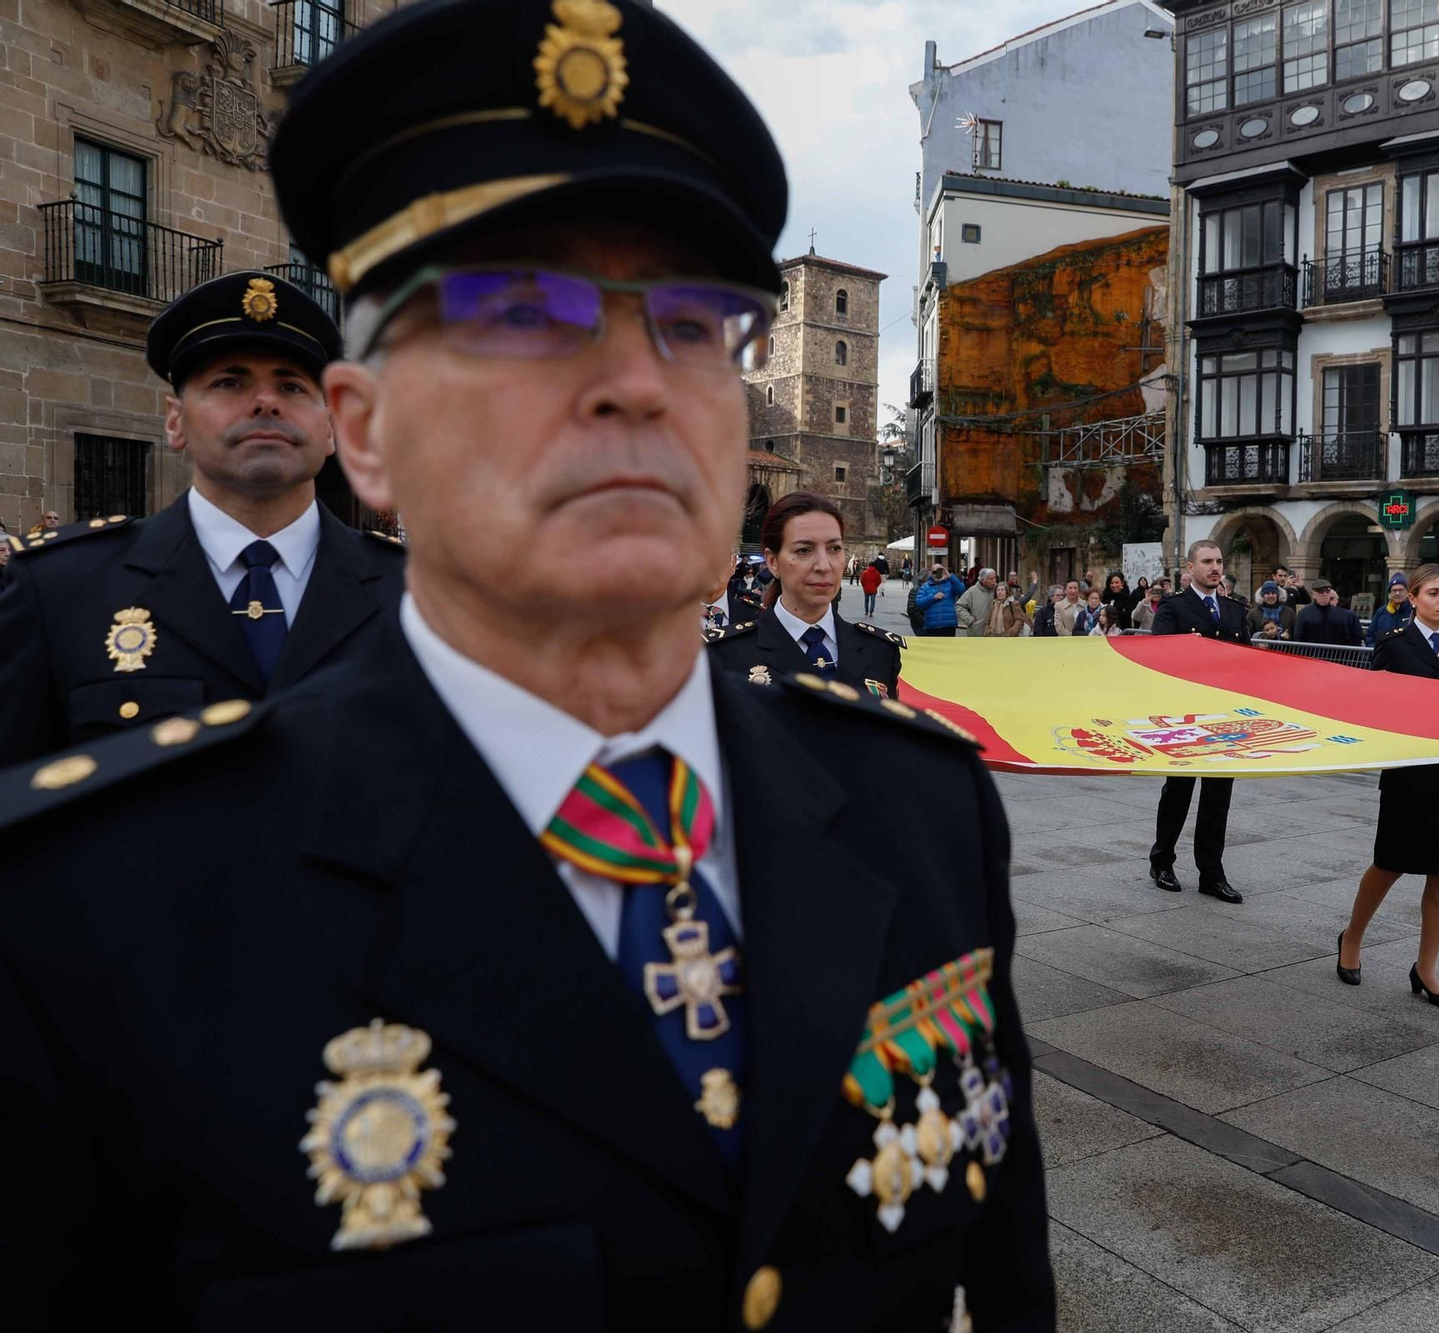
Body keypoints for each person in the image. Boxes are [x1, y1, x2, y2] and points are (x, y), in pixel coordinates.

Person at [0, 3, 1055, 1322]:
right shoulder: (90, 912)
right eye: (518, 310)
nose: (632, 381)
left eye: (689, 323)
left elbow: (1006, 1264)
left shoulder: (921, 806)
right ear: (365, 436)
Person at [0, 270, 405, 766]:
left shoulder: (416, 594)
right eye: (229, 382)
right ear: (175, 422)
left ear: (331, 428)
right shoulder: (59, 590)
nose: (265, 401)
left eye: (293, 386)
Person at [1335, 564, 1439, 1012]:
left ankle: (1426, 967)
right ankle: (1351, 938)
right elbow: (1373, 708)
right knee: (1388, 864)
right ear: (1413, 598)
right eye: (1433, 593)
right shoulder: (1394, 646)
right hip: (1409, 773)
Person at [708, 492, 905, 698]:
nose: (824, 565)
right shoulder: (725, 654)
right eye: (804, 550)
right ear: (773, 562)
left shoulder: (880, 651)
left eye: (834, 548)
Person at [1147, 539, 1251, 904]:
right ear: (1190, 568)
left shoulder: (1235, 610)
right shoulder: (1174, 607)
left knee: (1218, 797)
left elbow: (1247, 663)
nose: (1215, 567)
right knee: (1178, 791)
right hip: (1186, 715)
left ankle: (1212, 873)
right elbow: (1160, 660)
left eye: (1219, 561)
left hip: (1224, 719)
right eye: (1207, 561)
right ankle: (1162, 860)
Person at [1290, 581, 1362, 647]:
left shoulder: (1341, 614)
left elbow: (1348, 637)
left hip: (1336, 656)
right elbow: (1298, 638)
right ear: (1314, 594)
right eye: (1321, 591)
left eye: (1327, 591)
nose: (1324, 594)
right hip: (1312, 656)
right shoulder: (1304, 614)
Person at [916, 562, 964, 637]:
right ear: (931, 573)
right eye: (934, 572)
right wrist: (933, 597)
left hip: (948, 625)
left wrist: (950, 576)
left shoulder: (950, 584)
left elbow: (961, 591)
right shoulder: (925, 587)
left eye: (939, 571)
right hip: (931, 626)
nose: (936, 574)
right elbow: (920, 604)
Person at [1369, 571, 1414, 645]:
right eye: (1394, 590)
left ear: (1407, 592)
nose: (1397, 593)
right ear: (1390, 593)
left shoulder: (1414, 612)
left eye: (1400, 590)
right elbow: (1370, 635)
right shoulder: (1381, 612)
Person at [956, 567, 999, 637]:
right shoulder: (972, 591)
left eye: (994, 578)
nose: (993, 581)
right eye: (990, 579)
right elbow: (959, 606)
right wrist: (969, 620)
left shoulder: (998, 590)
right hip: (977, 632)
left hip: (995, 633)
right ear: (982, 580)